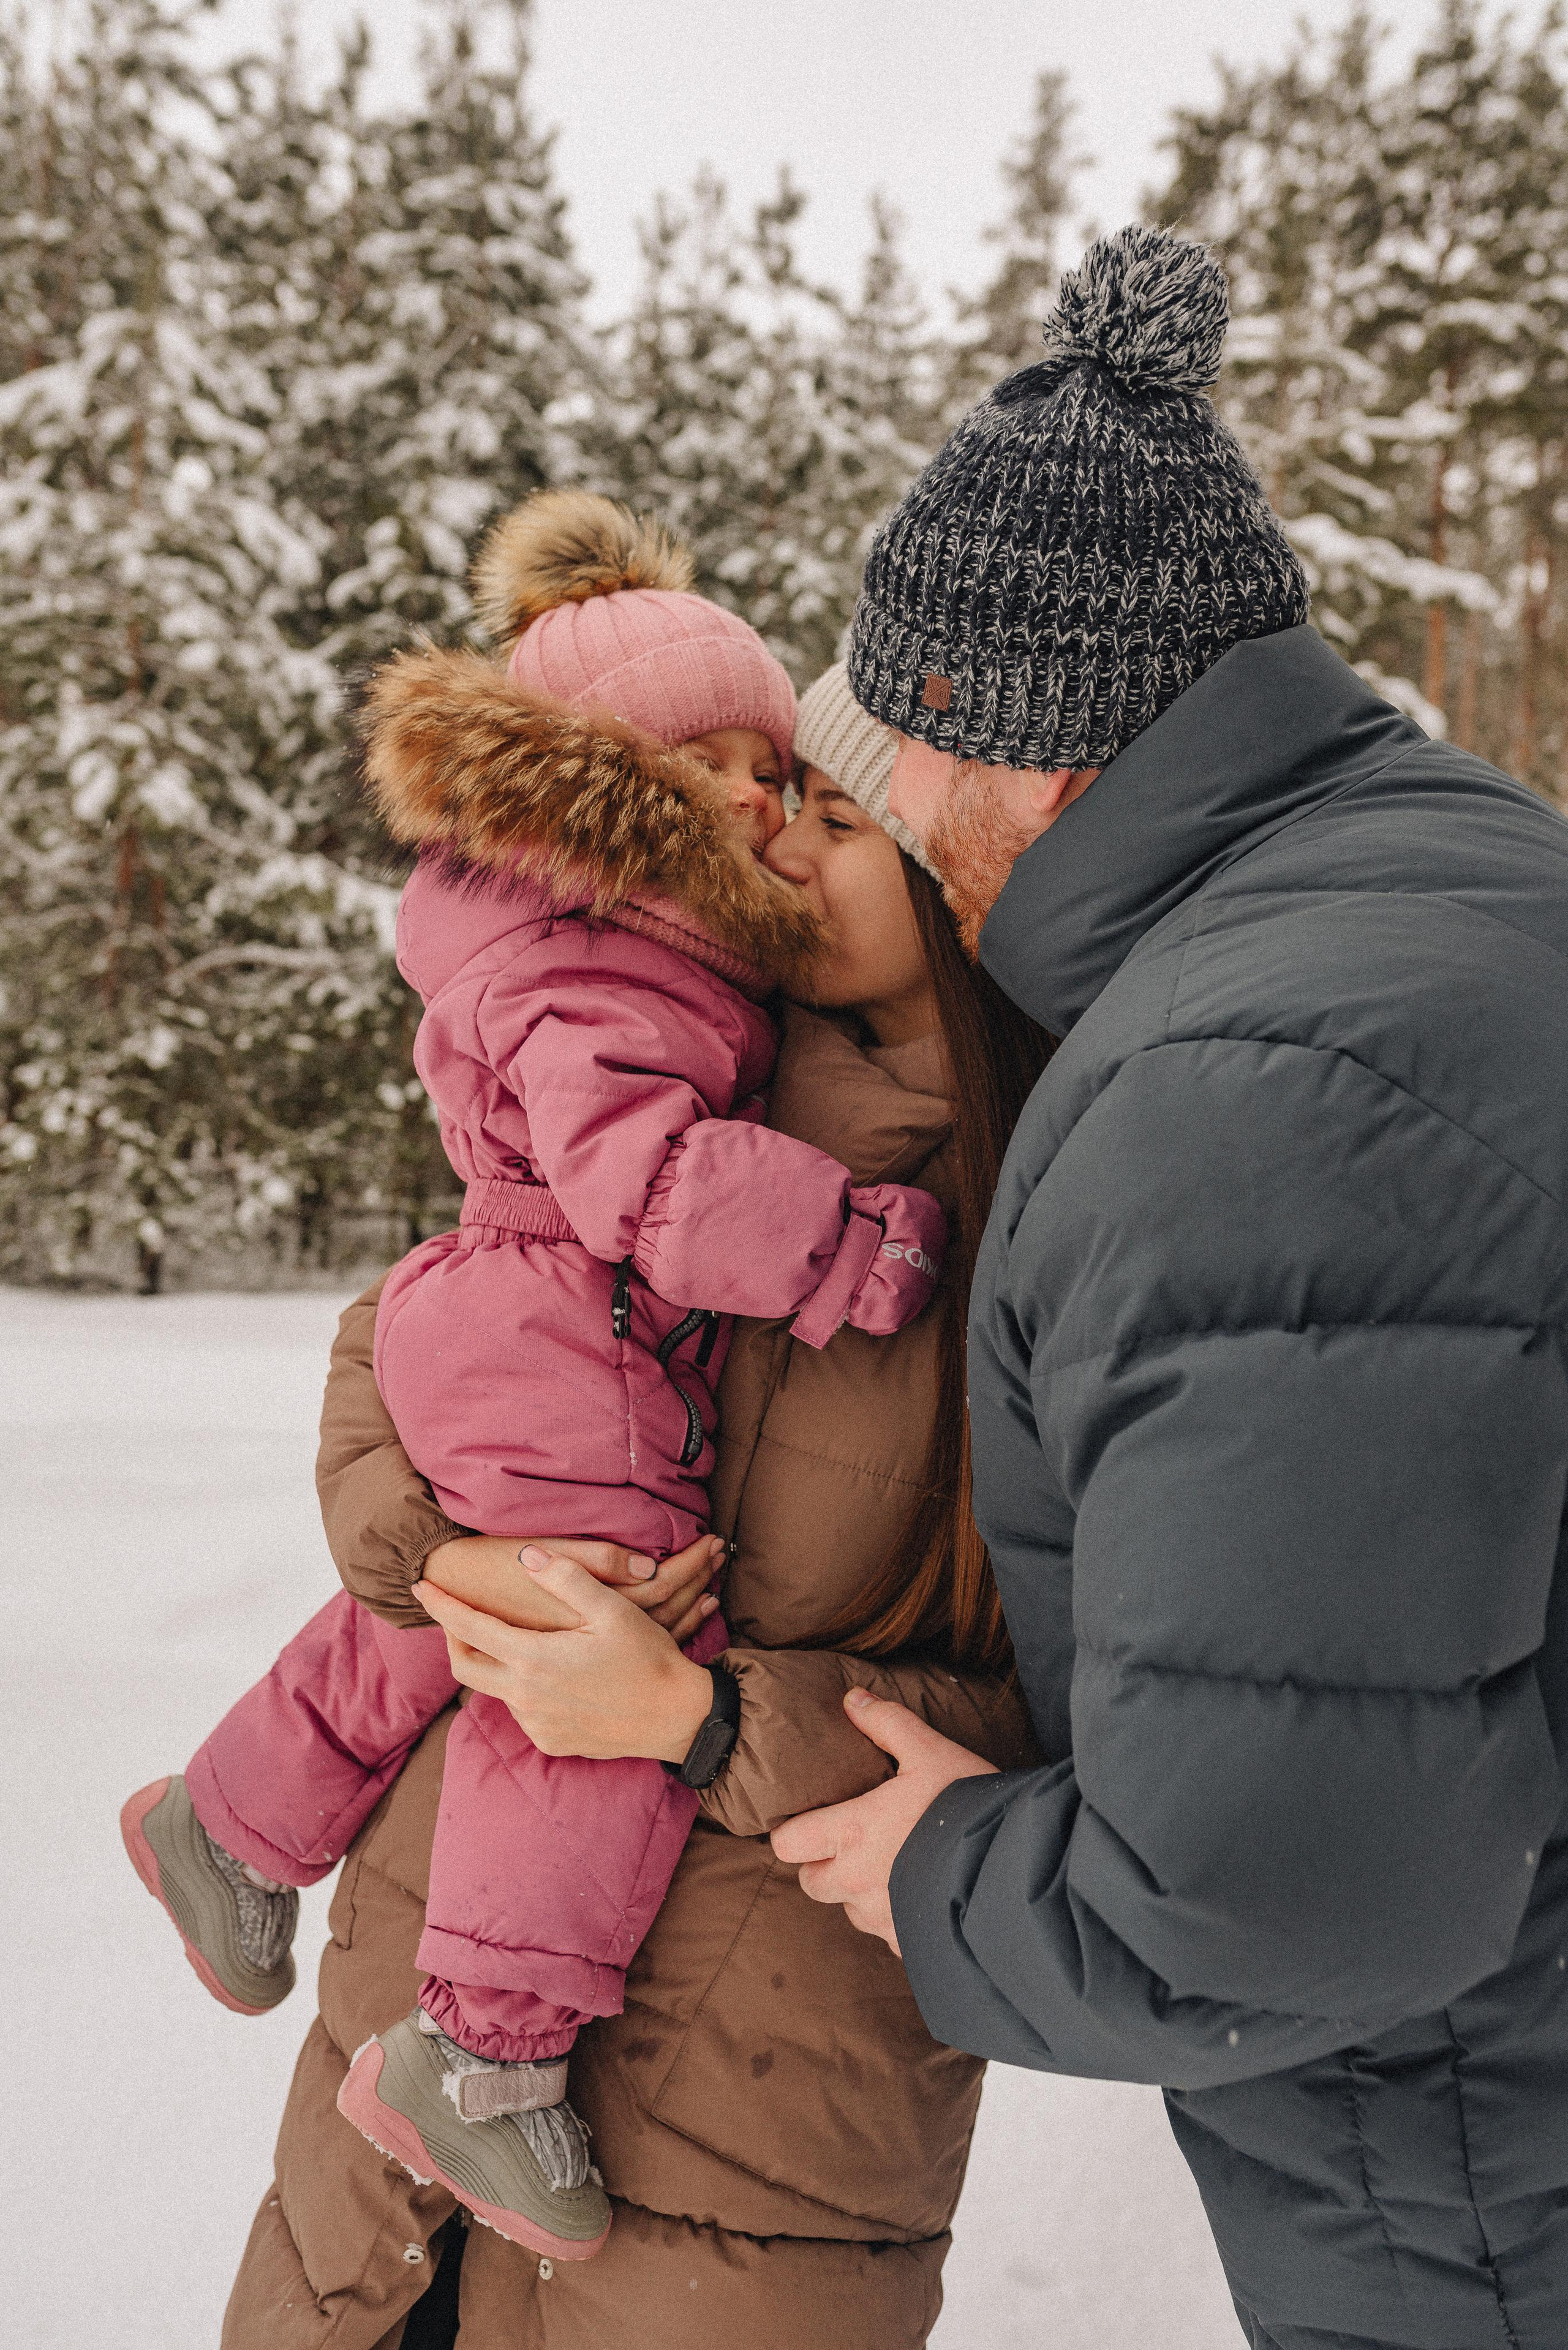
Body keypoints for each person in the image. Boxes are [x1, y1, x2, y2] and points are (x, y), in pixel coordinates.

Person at [774, 223, 1568, 2348]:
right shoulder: (1478, 875)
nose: (908, 834)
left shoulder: (1247, 1106)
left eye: (907, 774)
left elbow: (1270, 1904)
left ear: (1032, 758)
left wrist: (947, 1877)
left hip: (1491, 2204)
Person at [119, 495, 946, 2262]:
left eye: (793, 784)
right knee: (589, 1624)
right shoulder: (606, 962)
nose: (764, 810)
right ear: (613, 797)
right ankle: (487, 2054)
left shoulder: (613, 940)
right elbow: (649, 1182)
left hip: (527, 1314)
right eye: (729, 774)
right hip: (565, 1320)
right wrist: (840, 1246)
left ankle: (232, 1818)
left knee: (505, 1612)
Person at [218, 658, 1050, 2349]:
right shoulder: (668, 1073)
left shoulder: (1046, 1216)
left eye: (839, 818)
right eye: (781, 802)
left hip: (748, 2119)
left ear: (964, 867)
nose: (775, 845)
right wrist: (448, 1559)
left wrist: (698, 1718)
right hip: (409, 2020)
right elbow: (405, 1343)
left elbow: (1075, 1724)